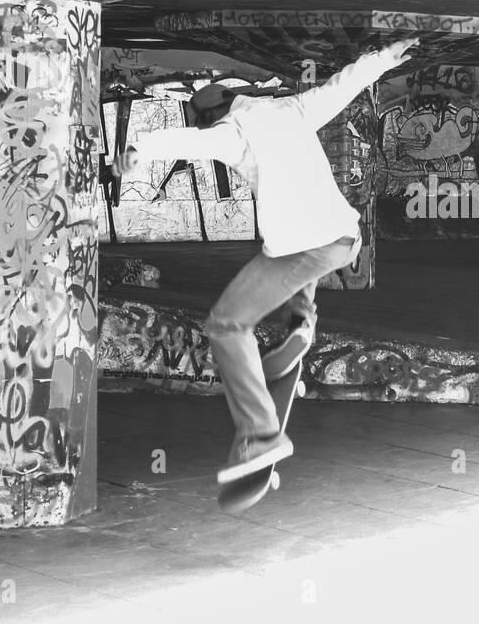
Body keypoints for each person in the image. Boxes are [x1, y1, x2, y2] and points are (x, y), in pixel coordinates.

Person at [112, 37, 420, 488]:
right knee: (291, 258)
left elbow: (188, 143)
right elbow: (342, 85)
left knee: (226, 324)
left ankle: (260, 435)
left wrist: (140, 150)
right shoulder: (294, 108)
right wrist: (384, 58)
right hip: (344, 239)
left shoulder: (232, 133)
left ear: (213, 113)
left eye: (203, 121)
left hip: (306, 246)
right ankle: (302, 322)